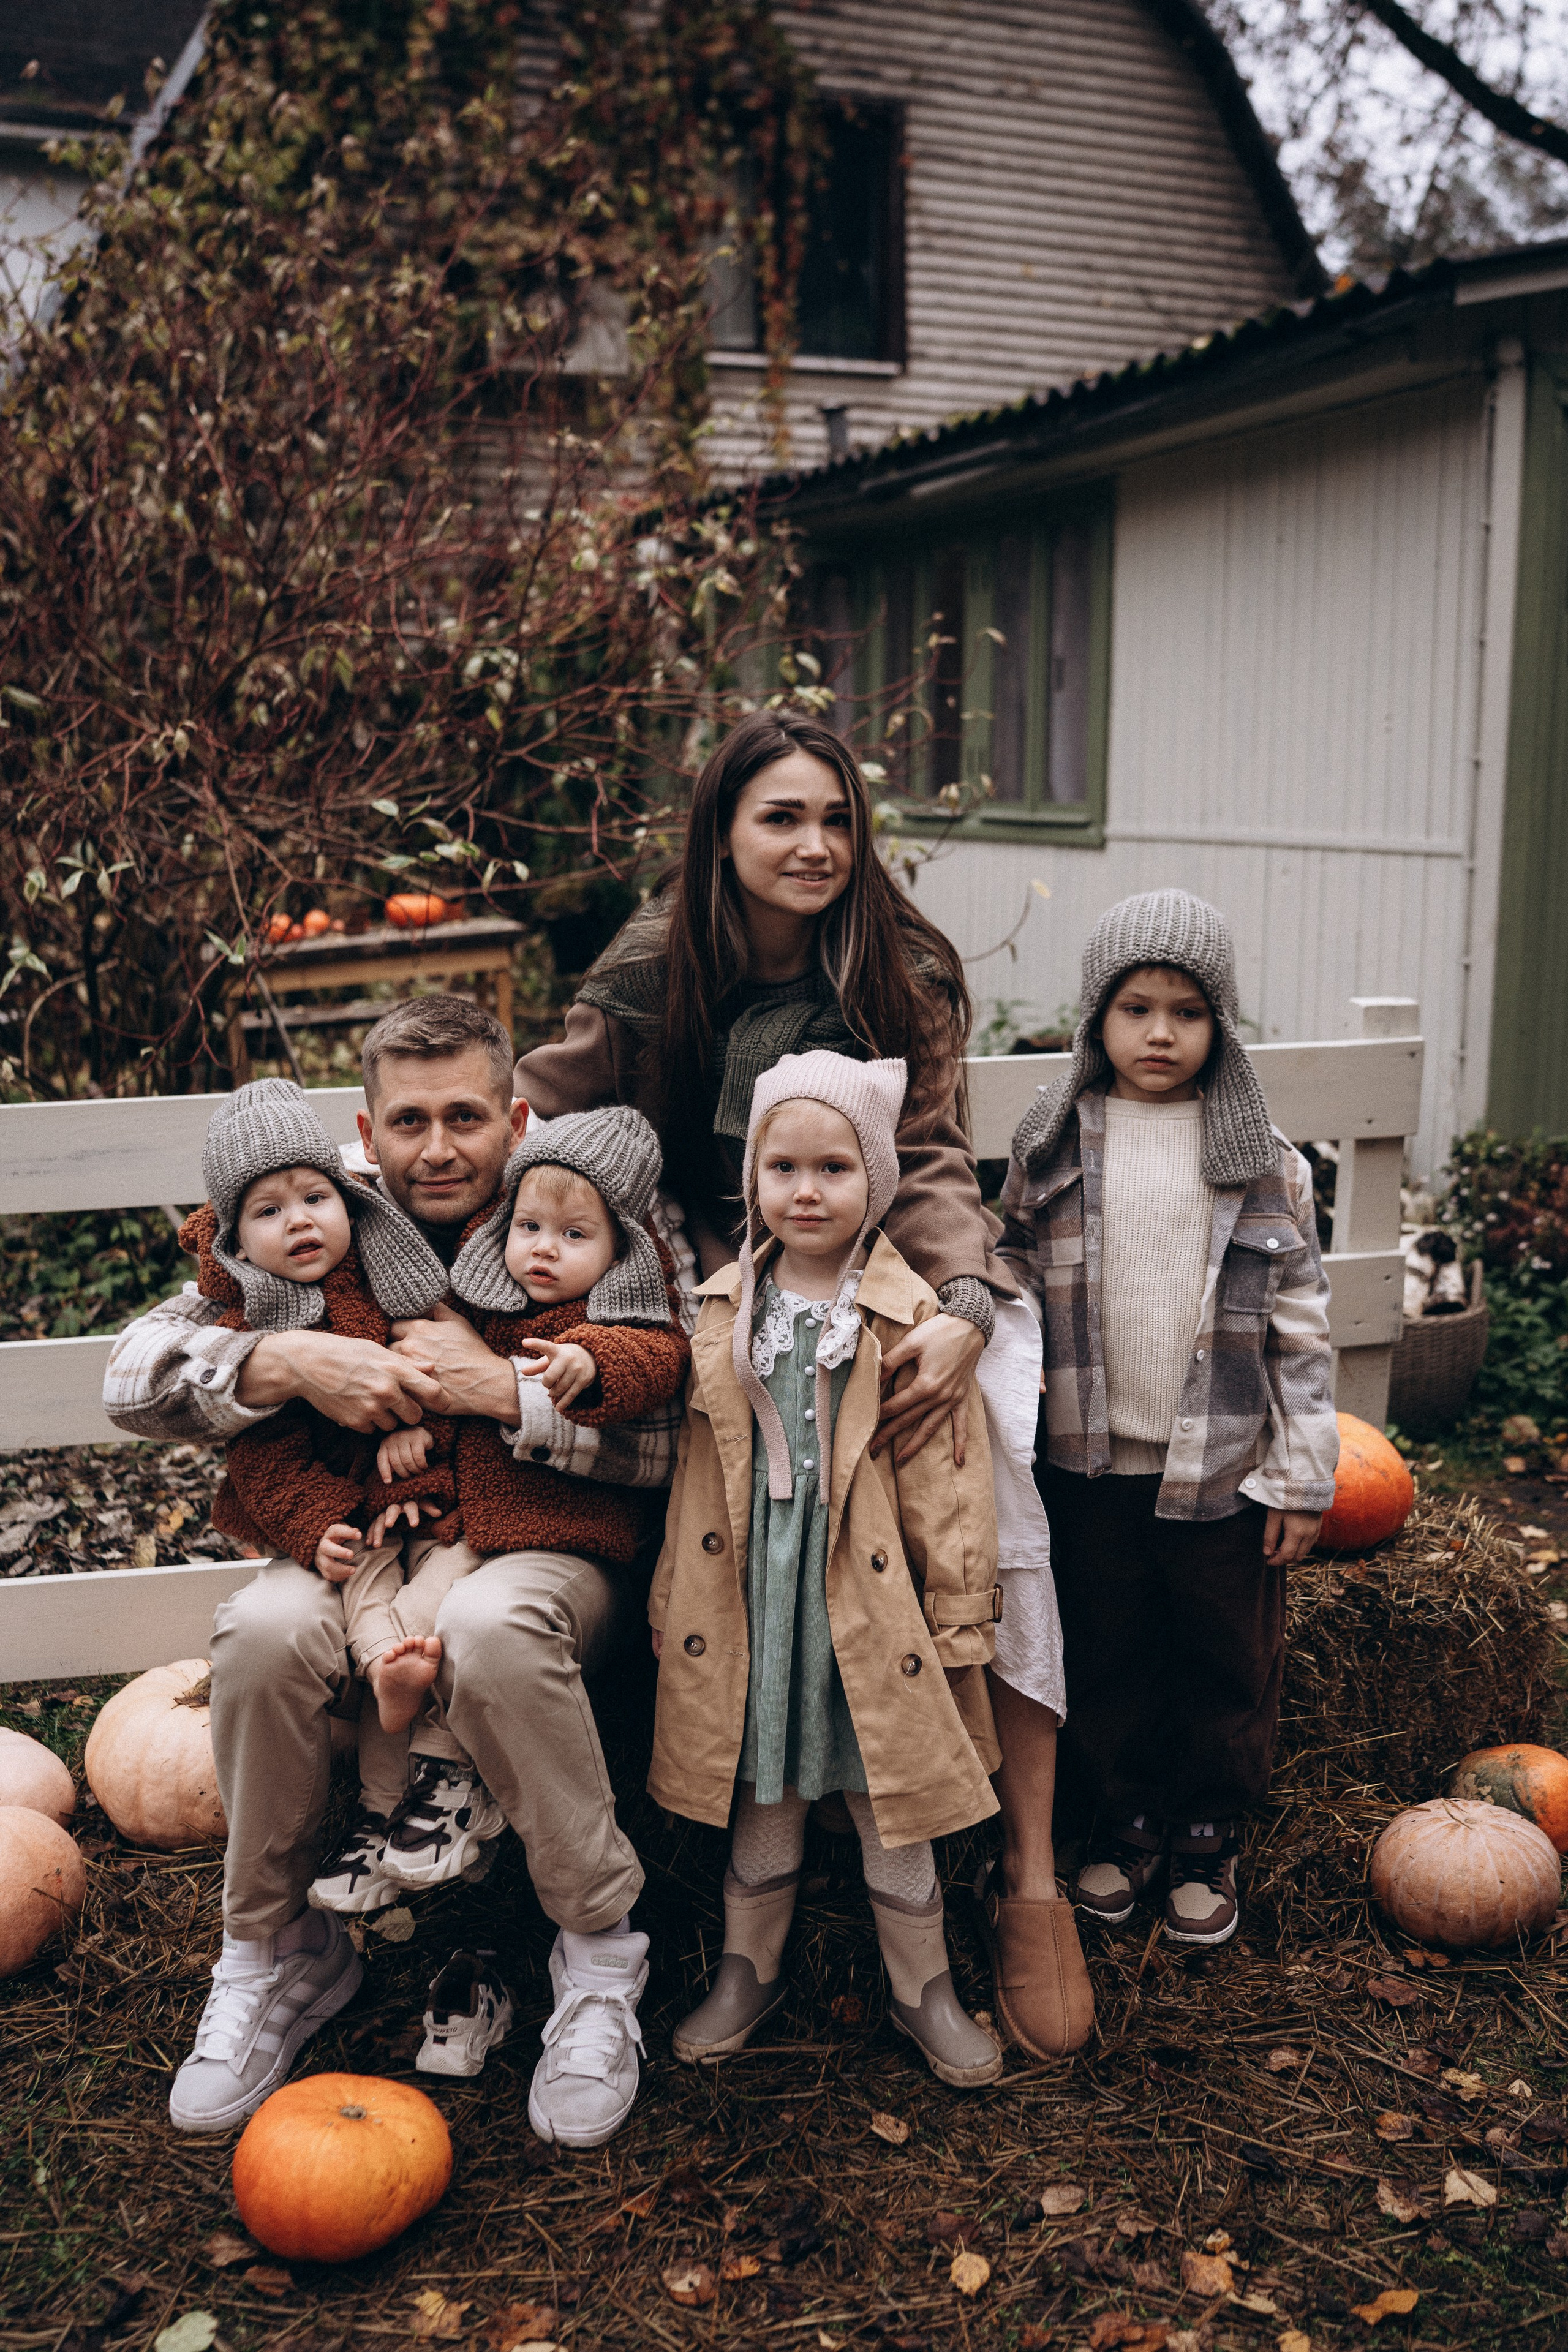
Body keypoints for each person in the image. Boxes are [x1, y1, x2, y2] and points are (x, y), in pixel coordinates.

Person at [507, 708, 1080, 2051]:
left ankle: (1023, 1856)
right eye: (781, 817)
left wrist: (962, 1301)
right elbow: (540, 1123)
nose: (816, 844)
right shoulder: (651, 973)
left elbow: (933, 1160)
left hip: (864, 1272)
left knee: (987, 1407)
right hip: (694, 1282)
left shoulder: (900, 966)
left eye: (836, 818)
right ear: (719, 833)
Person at [103, 995, 685, 2143]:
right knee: (265, 1631)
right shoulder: (322, 1231)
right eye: (407, 1122)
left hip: (548, 1553)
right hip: (365, 1550)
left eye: (465, 1117)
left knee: (495, 1620)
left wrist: (500, 1390)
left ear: (515, 1118)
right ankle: (275, 1948)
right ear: (365, 1136)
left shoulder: (581, 1211)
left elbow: (685, 1411)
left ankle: (600, 1956)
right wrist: (281, 1361)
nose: (437, 1148)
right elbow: (132, 1379)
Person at [650, 1051, 1011, 2087]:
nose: (807, 1192)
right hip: (759, 1592)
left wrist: (956, 1611)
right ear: (754, 1181)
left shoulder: (911, 1318)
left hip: (873, 1594)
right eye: (784, 1169)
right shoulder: (724, 1311)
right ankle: (746, 1968)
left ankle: (924, 1986)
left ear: (879, 1182)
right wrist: (676, 1599)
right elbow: (692, 1475)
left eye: (835, 1170)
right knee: (763, 1778)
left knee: (887, 1790)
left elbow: (952, 1479)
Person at [999, 889, 1339, 1948]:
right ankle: (1126, 1818)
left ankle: (1207, 1826)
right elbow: (1009, 1265)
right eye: (1135, 1008)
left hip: (1223, 1474)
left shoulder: (1265, 1157)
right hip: (1090, 1465)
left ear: (1219, 1024)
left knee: (1221, 1656)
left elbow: (1301, 1321)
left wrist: (1302, 1474)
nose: (1158, 1033)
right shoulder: (1053, 1141)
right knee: (1106, 1650)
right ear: (1096, 1017)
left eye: (1186, 1012)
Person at [177, 1079, 502, 1915]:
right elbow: (264, 1461)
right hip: (349, 1527)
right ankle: (378, 1801)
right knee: (370, 1618)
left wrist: (411, 1435)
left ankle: (414, 1780)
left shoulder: (383, 1273)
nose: (300, 1221)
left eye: (316, 1197)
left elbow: (440, 1364)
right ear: (235, 1238)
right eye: (269, 1211)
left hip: (429, 1509)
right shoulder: (240, 1316)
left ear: (346, 1199)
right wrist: (322, 1523)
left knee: (448, 1590)